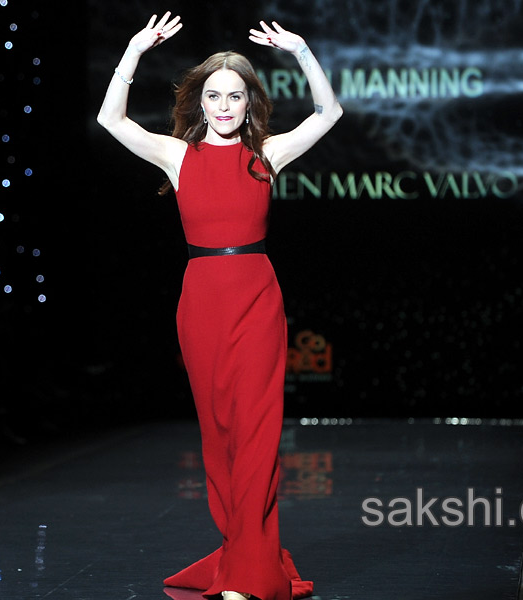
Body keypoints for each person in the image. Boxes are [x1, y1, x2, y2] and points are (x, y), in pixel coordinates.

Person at [97, 12, 342, 600]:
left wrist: (302, 52)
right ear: (200, 103)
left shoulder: (268, 154)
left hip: (257, 299)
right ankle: (242, 553)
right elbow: (110, 119)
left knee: (258, 432)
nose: (225, 105)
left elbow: (328, 113)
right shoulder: (177, 157)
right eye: (214, 95)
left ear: (248, 102)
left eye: (235, 95)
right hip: (201, 304)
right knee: (220, 436)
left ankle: (246, 574)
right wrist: (132, 51)